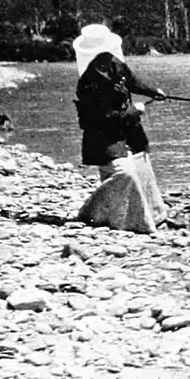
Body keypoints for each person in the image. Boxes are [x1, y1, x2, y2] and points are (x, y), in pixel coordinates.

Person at [72, 23, 168, 234]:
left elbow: (133, 82)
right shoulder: (87, 84)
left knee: (142, 168)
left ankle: (155, 215)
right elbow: (100, 119)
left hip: (130, 134)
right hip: (104, 140)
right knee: (125, 175)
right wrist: (134, 111)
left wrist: (154, 92)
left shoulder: (116, 63)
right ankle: (99, 214)